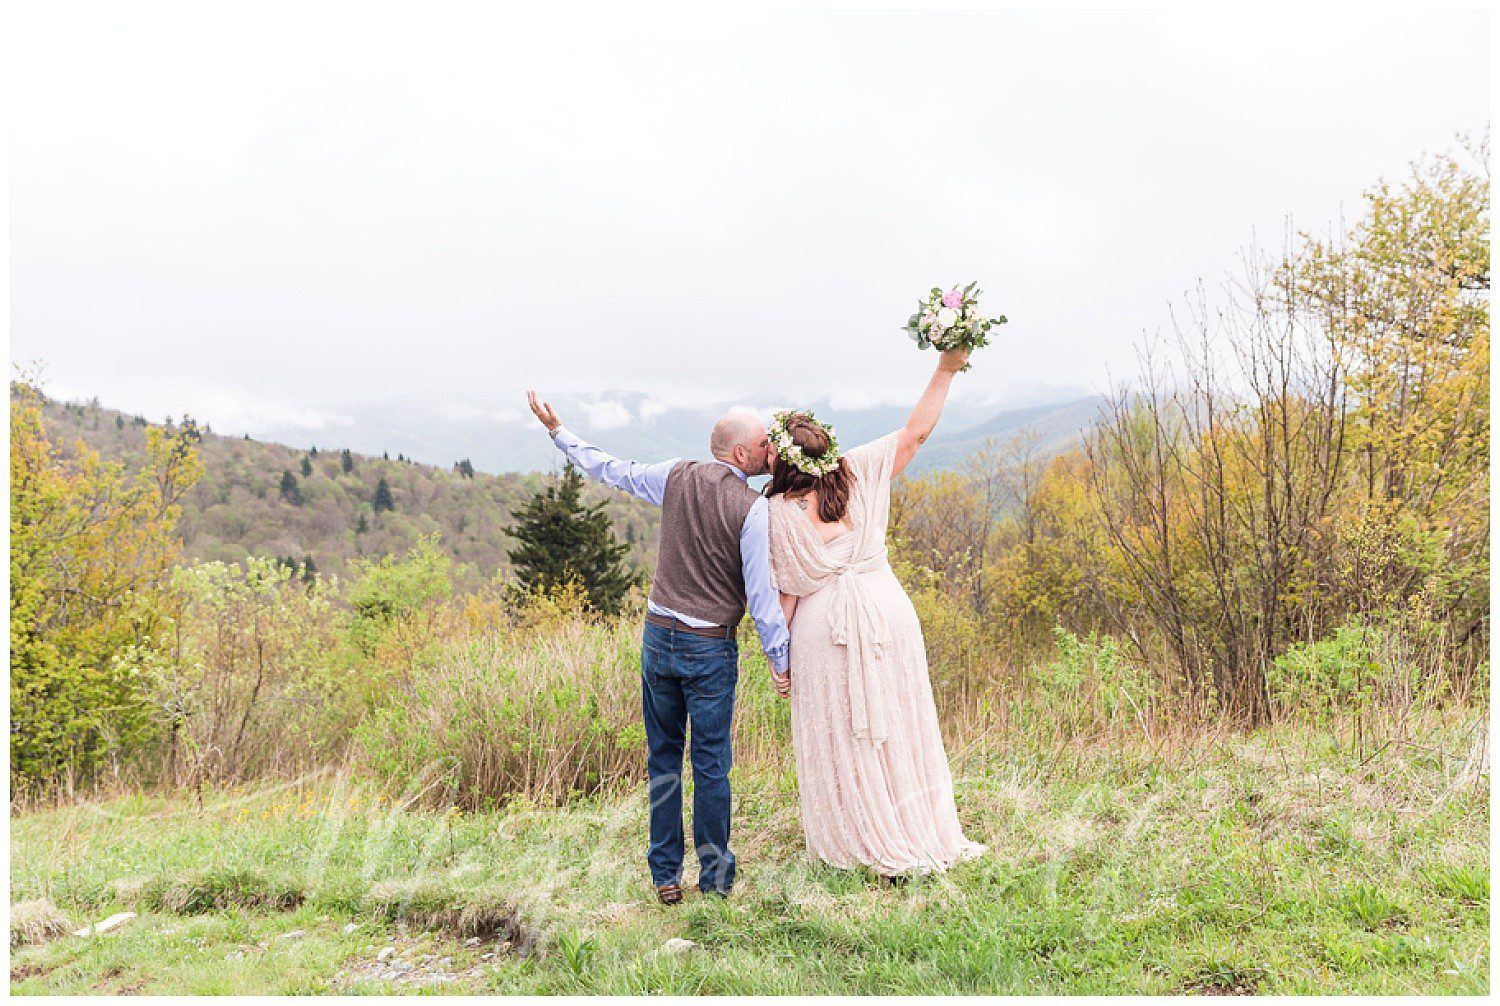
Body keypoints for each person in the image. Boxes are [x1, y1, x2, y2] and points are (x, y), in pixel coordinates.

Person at [526, 391, 790, 903]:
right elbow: (761, 598)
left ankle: (665, 875)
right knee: (712, 765)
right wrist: (781, 662)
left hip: (657, 637)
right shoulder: (753, 510)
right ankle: (714, 881)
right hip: (709, 648)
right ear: (741, 455)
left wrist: (562, 434)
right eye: (763, 445)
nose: (769, 451)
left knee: (663, 759)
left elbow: (613, 470)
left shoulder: (674, 474)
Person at [763, 348, 987, 877]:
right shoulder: (859, 470)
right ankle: (918, 829)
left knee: (845, 733)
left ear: (782, 462)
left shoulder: (776, 514)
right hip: (889, 614)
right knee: (899, 720)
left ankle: (861, 835)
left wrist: (780, 660)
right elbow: (916, 433)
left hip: (825, 632)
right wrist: (945, 369)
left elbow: (787, 598)